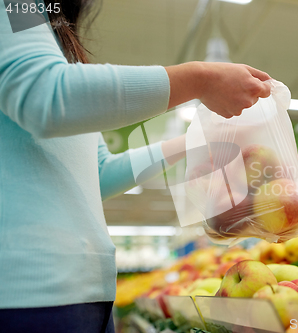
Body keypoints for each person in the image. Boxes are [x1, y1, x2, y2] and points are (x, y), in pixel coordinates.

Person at [0, 0, 272, 332]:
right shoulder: (17, 5)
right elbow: (45, 92)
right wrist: (199, 79)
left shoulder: (51, 37)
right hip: (26, 293)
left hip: (88, 293)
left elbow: (98, 173)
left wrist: (192, 142)